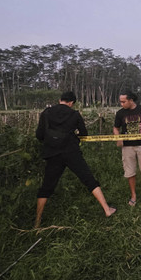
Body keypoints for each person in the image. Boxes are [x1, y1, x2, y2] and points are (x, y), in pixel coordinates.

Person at [34, 91, 116, 228]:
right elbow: (84, 133)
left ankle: (37, 222)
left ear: (60, 99)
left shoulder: (46, 113)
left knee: (47, 186)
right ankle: (107, 210)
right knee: (88, 178)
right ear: (71, 103)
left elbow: (39, 134)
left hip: (52, 154)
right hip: (71, 152)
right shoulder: (74, 114)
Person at [113, 90, 141, 206]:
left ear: (131, 100)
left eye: (123, 102)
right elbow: (116, 128)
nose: (121, 104)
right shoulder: (120, 113)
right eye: (120, 102)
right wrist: (118, 138)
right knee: (130, 170)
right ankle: (133, 195)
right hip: (127, 146)